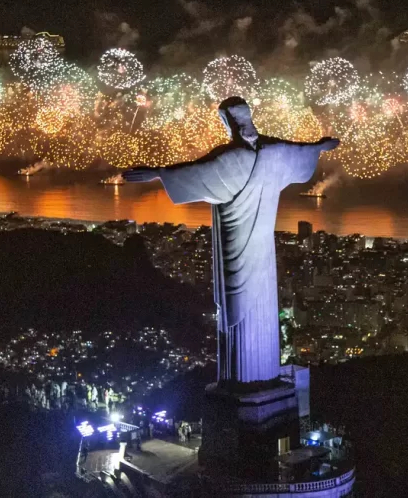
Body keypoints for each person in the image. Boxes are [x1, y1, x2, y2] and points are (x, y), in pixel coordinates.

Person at [124, 96, 339, 383]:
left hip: (235, 243)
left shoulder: (230, 159)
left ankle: (242, 380)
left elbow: (194, 172)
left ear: (227, 122)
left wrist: (157, 174)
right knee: (259, 304)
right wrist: (319, 147)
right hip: (263, 250)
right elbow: (299, 151)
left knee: (236, 308)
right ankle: (262, 375)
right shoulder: (274, 151)